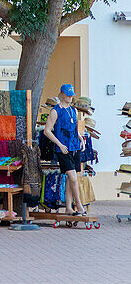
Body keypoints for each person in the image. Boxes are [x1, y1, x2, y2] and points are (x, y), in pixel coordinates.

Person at [43, 83, 87, 215]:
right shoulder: (55, 111)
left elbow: (74, 128)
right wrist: (59, 144)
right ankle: (79, 205)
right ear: (61, 94)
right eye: (67, 95)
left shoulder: (74, 110)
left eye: (71, 95)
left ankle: (68, 207)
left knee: (70, 178)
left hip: (74, 147)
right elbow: (47, 131)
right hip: (63, 148)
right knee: (73, 177)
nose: (70, 97)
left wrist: (81, 139)